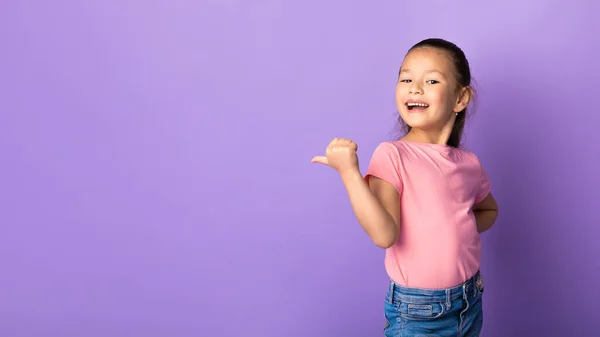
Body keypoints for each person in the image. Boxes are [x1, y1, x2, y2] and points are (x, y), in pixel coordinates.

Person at [311, 38, 499, 336]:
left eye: (432, 80)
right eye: (407, 78)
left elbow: (489, 209)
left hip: (470, 297)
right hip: (419, 310)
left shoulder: (468, 162)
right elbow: (384, 234)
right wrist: (349, 173)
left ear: (461, 98)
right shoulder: (393, 155)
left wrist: (454, 226)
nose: (415, 87)